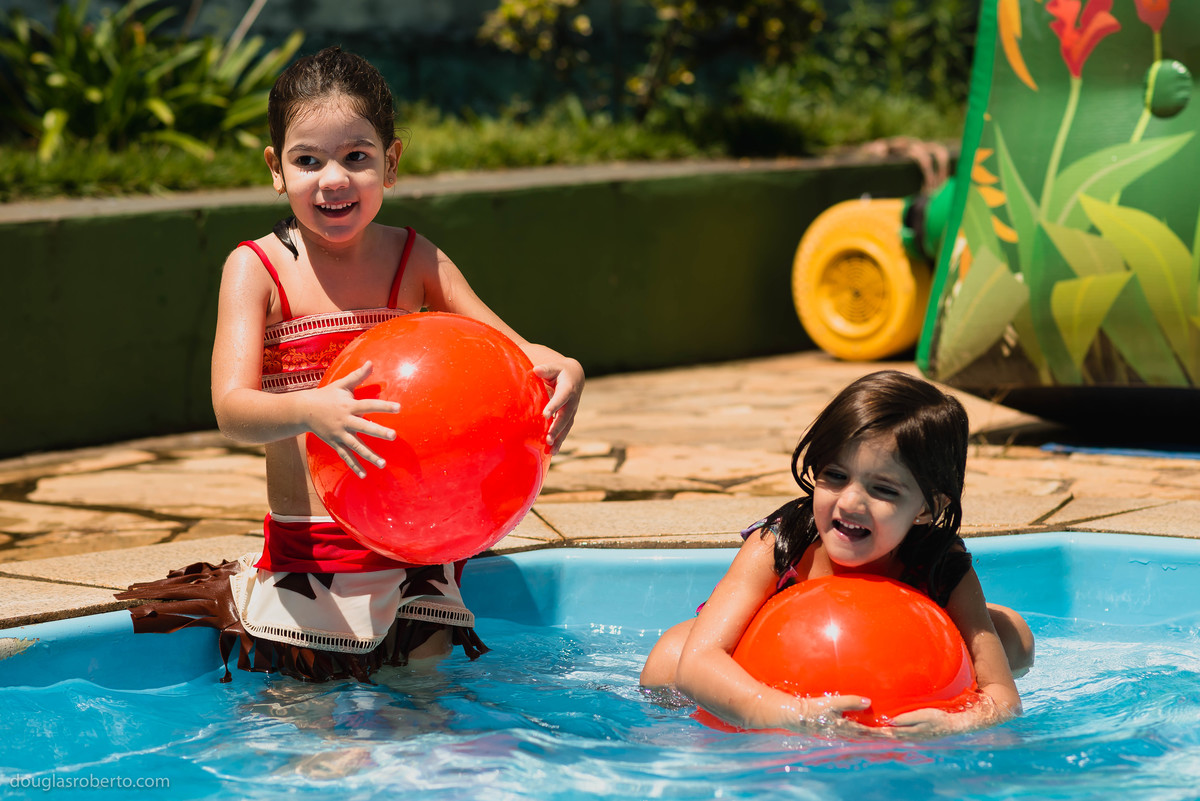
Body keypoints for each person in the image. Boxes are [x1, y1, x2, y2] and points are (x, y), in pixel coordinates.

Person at [117, 46, 584, 683]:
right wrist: (312, 408)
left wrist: (562, 367)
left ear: (390, 163)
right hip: (312, 552)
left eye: (356, 157)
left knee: (426, 722)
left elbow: (513, 353)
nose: (332, 179)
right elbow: (232, 409)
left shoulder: (416, 261)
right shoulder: (257, 270)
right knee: (316, 749)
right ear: (276, 171)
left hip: (417, 547)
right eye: (307, 160)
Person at [640, 371, 1033, 735]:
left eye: (884, 489)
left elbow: (1002, 698)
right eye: (835, 476)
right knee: (671, 659)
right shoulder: (782, 544)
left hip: (894, 660)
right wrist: (779, 711)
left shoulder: (940, 564)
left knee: (1014, 640)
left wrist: (955, 723)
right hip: (768, 659)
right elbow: (700, 660)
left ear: (927, 509)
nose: (849, 502)